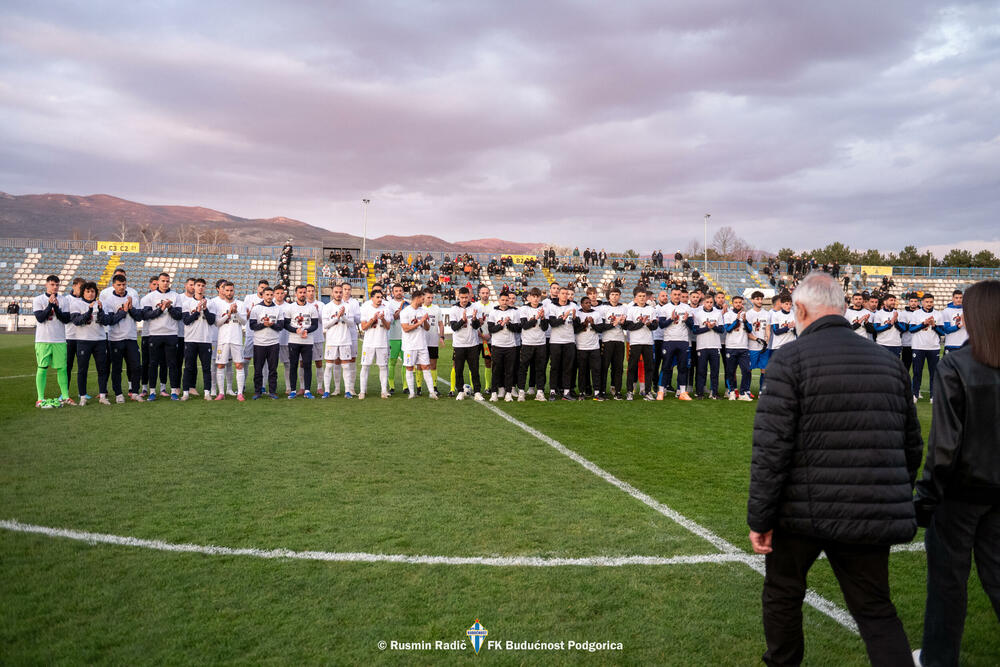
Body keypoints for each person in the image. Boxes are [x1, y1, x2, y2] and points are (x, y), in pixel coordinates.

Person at [747, 272, 923, 667]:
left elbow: (771, 450)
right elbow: (911, 446)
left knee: (783, 593)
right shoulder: (888, 362)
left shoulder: (789, 359)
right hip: (868, 506)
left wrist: (761, 517)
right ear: (843, 309)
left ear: (801, 309)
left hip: (800, 512)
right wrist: (888, 491)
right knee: (876, 609)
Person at [912, 280, 1000, 667]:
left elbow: (944, 447)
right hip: (991, 492)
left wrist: (926, 499)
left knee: (948, 583)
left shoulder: (955, 366)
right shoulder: (957, 364)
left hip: (960, 495)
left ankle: (937, 659)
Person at [140, 273, 183, 401]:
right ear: (158, 282)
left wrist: (169, 307)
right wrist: (161, 309)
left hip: (171, 334)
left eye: (167, 281)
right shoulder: (150, 297)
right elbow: (146, 315)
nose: (165, 283)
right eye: (163, 281)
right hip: (155, 334)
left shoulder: (175, 296)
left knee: (172, 364)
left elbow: (179, 316)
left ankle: (174, 391)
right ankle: (152, 391)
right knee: (153, 364)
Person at [103, 273, 144, 403]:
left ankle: (135, 392)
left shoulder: (133, 298)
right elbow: (110, 320)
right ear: (113, 285)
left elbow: (139, 317)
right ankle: (118, 394)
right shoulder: (108, 301)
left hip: (131, 337)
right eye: (119, 285)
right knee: (117, 368)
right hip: (115, 339)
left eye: (124, 284)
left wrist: (130, 308)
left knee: (136, 366)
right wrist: (123, 311)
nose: (122, 287)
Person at [68, 281, 112, 405]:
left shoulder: (102, 304)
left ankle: (103, 396)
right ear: (83, 292)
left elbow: (107, 321)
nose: (90, 293)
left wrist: (101, 310)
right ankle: (82, 396)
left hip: (100, 340)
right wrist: (89, 310)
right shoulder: (76, 304)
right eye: (87, 291)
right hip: (83, 341)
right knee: (82, 369)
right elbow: (77, 321)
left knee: (102, 369)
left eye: (92, 291)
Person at [179, 278, 215, 401]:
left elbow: (211, 321)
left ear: (205, 288)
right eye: (198, 285)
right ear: (193, 287)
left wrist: (205, 309)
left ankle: (207, 393)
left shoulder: (210, 303)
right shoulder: (186, 303)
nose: (200, 288)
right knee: (188, 366)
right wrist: (197, 311)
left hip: (205, 340)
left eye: (202, 286)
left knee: (206, 367)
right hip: (191, 339)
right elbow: (186, 321)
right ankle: (185, 393)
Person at [211, 281, 248, 401]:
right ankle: (221, 393)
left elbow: (244, 322)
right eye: (227, 290)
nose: (229, 292)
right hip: (223, 340)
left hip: (236, 339)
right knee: (221, 365)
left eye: (231, 290)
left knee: (238, 365)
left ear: (234, 290)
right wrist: (229, 314)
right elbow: (217, 323)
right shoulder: (218, 305)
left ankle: (240, 393)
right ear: (222, 291)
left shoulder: (241, 304)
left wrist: (236, 312)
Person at [399, 289, 438, 399]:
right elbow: (406, 328)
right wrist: (420, 322)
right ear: (417, 298)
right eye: (422, 298)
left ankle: (432, 392)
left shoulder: (422, 311)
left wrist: (424, 321)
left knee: (426, 367)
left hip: (422, 345)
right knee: (409, 368)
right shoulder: (405, 312)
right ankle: (412, 393)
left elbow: (427, 328)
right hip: (409, 346)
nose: (424, 301)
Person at [283, 285, 319, 399]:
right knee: (293, 365)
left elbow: (315, 325)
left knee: (307, 365)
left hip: (308, 341)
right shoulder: (290, 308)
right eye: (300, 292)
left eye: (304, 292)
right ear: (296, 294)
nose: (303, 294)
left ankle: (307, 390)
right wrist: (296, 330)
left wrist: (306, 331)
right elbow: (286, 324)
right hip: (294, 340)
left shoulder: (312, 308)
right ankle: (293, 390)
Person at [448, 287, 484, 401]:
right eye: (462, 297)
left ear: (469, 296)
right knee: (459, 369)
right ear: (458, 297)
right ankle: (460, 391)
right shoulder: (454, 309)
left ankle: (477, 391)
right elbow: (454, 327)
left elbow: (476, 326)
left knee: (474, 369)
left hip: (473, 344)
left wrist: (474, 319)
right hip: (459, 345)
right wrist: (463, 320)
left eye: (466, 297)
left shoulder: (475, 307)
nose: (464, 300)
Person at [657, 287, 692, 401]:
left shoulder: (686, 307)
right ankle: (661, 391)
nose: (677, 296)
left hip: (683, 341)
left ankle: (682, 392)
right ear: (671, 295)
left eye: (679, 294)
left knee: (683, 367)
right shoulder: (665, 308)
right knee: (666, 366)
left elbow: (692, 326)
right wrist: (671, 319)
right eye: (675, 294)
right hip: (669, 341)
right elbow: (661, 325)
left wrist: (687, 320)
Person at [248, 286, 283, 399]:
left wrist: (271, 325)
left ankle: (272, 391)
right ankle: (257, 392)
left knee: (273, 369)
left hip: (273, 343)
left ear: (273, 295)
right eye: (267, 295)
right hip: (259, 343)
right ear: (262, 295)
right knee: (258, 369)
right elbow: (252, 325)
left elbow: (281, 326)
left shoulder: (278, 309)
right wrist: (263, 324)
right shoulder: (257, 308)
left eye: (270, 295)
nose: (269, 297)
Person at [486, 291, 521, 401]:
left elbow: (518, 329)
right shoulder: (493, 313)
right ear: (499, 300)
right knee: (496, 370)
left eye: (507, 300)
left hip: (511, 346)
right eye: (503, 300)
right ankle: (494, 393)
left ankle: (509, 393)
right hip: (497, 345)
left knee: (509, 370)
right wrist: (501, 324)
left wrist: (508, 324)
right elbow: (491, 329)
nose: (505, 302)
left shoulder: (514, 312)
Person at [623, 288, 657, 401]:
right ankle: (629, 391)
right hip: (635, 342)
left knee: (649, 368)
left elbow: (655, 326)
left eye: (644, 296)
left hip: (648, 342)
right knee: (632, 367)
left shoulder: (651, 309)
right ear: (635, 298)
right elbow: (629, 326)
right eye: (640, 296)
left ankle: (647, 391)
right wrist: (641, 323)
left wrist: (648, 324)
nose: (642, 298)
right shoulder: (631, 310)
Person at [516, 287, 549, 401]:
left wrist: (543, 317)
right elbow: (524, 325)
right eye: (533, 296)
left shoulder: (544, 308)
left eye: (537, 296)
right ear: (529, 297)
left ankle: (540, 391)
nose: (535, 299)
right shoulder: (524, 309)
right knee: (523, 368)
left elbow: (545, 328)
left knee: (540, 368)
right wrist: (536, 317)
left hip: (541, 343)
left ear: (540, 297)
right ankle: (521, 391)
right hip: (527, 343)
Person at [909, 294, 943, 403]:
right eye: (927, 302)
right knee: (917, 372)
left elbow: (942, 332)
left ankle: (933, 396)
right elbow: (911, 329)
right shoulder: (916, 314)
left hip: (934, 347)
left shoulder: (938, 314)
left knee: (934, 373)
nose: (929, 304)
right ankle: (915, 394)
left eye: (931, 302)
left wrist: (934, 325)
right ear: (922, 302)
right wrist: (923, 324)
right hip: (918, 346)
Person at [358, 289, 391, 399]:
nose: (380, 299)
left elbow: (388, 327)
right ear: (372, 298)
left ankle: (384, 391)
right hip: (369, 343)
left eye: (381, 297)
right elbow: (363, 327)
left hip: (382, 343)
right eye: (377, 297)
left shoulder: (386, 309)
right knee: (365, 366)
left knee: (383, 367)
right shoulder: (366, 309)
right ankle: (362, 391)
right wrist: (373, 319)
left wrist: (383, 319)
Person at [546, 287, 577, 401]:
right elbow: (553, 323)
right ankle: (553, 391)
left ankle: (566, 392)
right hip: (556, 341)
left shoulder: (573, 306)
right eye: (563, 293)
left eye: (567, 294)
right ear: (558, 295)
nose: (565, 296)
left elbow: (577, 325)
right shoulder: (552, 306)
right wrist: (564, 317)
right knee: (554, 367)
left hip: (569, 341)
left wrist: (574, 317)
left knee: (568, 368)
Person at [691, 293, 724, 399]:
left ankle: (714, 393)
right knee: (701, 370)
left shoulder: (718, 313)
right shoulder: (698, 314)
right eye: (707, 302)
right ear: (703, 303)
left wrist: (713, 327)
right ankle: (700, 392)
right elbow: (695, 330)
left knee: (715, 371)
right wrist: (708, 328)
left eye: (711, 302)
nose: (709, 304)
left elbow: (722, 330)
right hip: (702, 346)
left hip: (715, 346)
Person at [598, 287, 627, 400]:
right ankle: (602, 391)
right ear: (608, 296)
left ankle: (617, 390)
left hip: (619, 340)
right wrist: (613, 324)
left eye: (617, 294)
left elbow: (626, 326)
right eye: (613, 294)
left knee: (618, 367)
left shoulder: (623, 308)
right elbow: (601, 327)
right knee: (604, 367)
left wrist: (623, 323)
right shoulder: (603, 308)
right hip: (607, 340)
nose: (615, 296)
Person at [723, 295, 753, 400]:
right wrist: (737, 320)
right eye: (736, 302)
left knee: (747, 370)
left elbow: (750, 330)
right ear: (732, 303)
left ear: (742, 303)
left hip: (744, 347)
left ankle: (743, 393)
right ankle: (731, 391)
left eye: (740, 302)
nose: (738, 304)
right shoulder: (727, 315)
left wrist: (744, 321)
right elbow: (728, 329)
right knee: (731, 371)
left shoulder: (746, 314)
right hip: (731, 347)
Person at [939, 289, 967, 355]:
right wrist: (958, 326)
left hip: (965, 344)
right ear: (952, 298)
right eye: (956, 298)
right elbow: (946, 330)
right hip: (951, 344)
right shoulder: (946, 311)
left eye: (960, 298)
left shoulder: (967, 310)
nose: (959, 300)